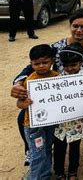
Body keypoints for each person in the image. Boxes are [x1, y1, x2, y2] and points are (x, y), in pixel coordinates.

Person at [11, 9, 83, 178]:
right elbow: (31, 67)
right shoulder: (56, 48)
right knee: (24, 118)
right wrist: (17, 83)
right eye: (75, 26)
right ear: (70, 26)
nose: (79, 30)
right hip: (56, 103)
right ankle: (37, 161)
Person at [16, 45, 58, 180]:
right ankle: (35, 177)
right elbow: (19, 103)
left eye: (44, 62)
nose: (41, 66)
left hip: (50, 122)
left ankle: (45, 175)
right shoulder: (29, 81)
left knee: (47, 150)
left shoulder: (57, 78)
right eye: (36, 64)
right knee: (37, 154)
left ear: (52, 61)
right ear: (31, 64)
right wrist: (25, 103)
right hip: (32, 125)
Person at [53, 43, 83, 180]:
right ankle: (59, 172)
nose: (70, 69)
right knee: (59, 147)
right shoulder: (58, 78)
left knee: (74, 147)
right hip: (60, 121)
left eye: (73, 65)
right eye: (66, 66)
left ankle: (73, 172)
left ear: (81, 62)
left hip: (77, 121)